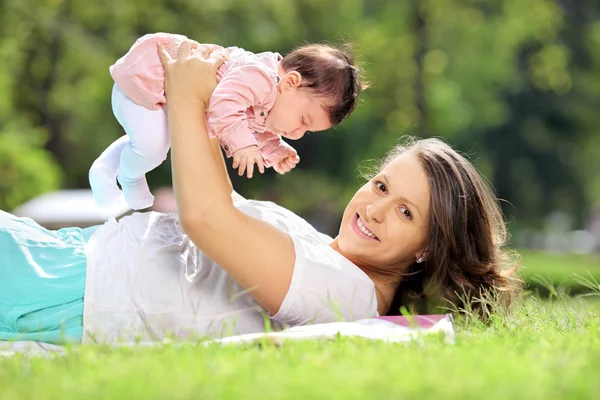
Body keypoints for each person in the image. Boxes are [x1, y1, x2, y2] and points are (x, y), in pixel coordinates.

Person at [0, 43, 521, 345]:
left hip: (82, 290)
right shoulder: (332, 258)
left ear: (428, 246)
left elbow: (207, 217)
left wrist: (190, 95)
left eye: (405, 211)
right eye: (381, 185)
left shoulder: (345, 291)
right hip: (84, 258)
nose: (375, 207)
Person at [89, 32, 367, 211]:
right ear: (291, 82)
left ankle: (104, 170)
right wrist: (243, 146)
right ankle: (130, 176)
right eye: (303, 120)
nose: (297, 132)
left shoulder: (271, 98)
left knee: (155, 141)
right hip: (147, 81)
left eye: (307, 132)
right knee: (152, 147)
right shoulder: (259, 76)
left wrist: (274, 150)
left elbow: (254, 127)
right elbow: (225, 104)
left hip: (164, 100)